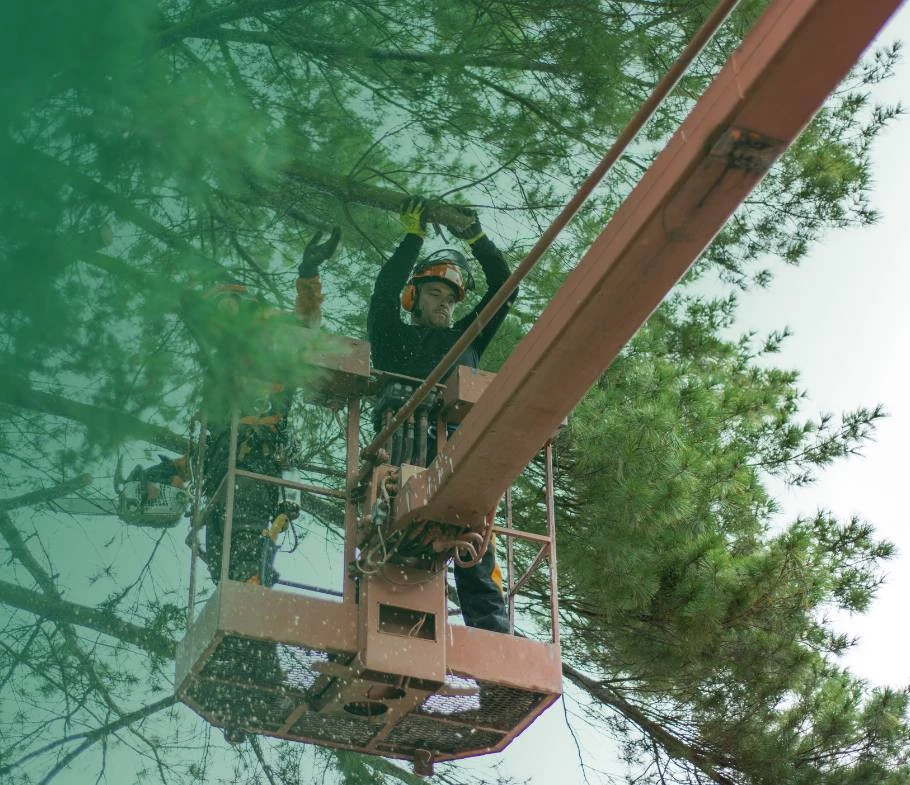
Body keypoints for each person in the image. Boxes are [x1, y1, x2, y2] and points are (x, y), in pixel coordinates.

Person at [367, 198, 517, 634]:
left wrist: (477, 237)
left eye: (451, 298)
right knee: (388, 550)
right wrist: (413, 237)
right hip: (399, 463)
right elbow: (384, 290)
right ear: (413, 297)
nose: (445, 305)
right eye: (435, 293)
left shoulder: (465, 339)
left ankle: (492, 635)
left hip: (458, 457)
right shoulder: (392, 337)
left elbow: (505, 287)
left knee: (475, 546)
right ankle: (390, 630)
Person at [175, 229, 341, 586]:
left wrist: (308, 274)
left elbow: (307, 325)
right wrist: (177, 471)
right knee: (221, 563)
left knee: (247, 545)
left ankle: (251, 599)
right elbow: (208, 439)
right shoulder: (220, 371)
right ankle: (239, 613)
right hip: (221, 476)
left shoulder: (269, 338)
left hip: (253, 464)